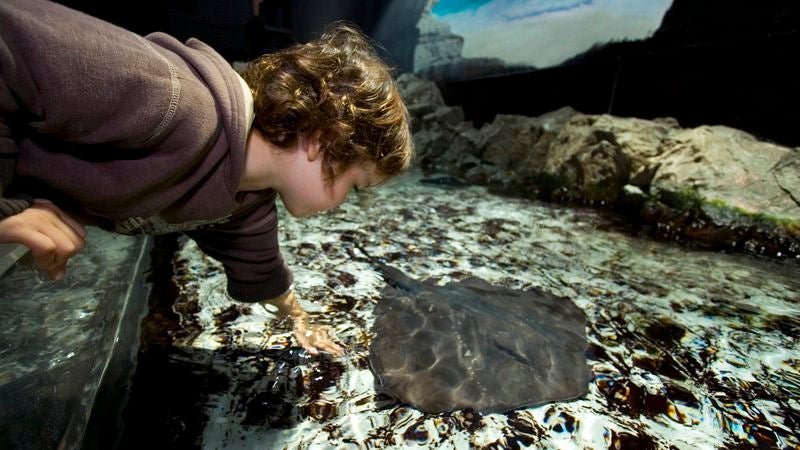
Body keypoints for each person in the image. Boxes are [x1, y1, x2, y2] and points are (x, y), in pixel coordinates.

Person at [0, 0, 413, 356]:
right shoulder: (174, 100)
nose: (343, 204)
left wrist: (300, 321)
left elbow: (263, 271)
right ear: (322, 141)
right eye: (354, 186)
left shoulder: (244, 200)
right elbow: (12, 38)